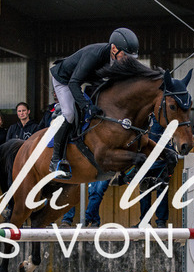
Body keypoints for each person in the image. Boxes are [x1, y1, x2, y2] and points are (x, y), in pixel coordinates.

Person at [49, 27, 139, 178]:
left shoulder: (117, 57)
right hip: (65, 80)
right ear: (114, 48)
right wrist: (86, 106)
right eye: (124, 55)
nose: (126, 59)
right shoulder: (94, 55)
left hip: (87, 78)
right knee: (70, 114)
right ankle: (56, 159)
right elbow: (74, 83)